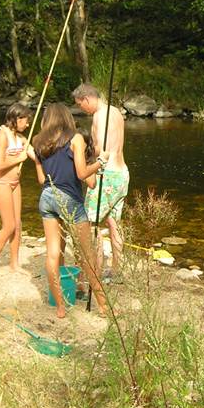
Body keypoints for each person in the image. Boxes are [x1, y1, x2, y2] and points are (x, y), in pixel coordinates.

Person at [33, 103, 108, 317]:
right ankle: (103, 306)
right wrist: (100, 162)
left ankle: (59, 307)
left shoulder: (37, 142)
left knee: (53, 253)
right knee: (87, 255)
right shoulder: (75, 139)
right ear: (66, 118)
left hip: (47, 197)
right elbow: (82, 173)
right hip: (69, 199)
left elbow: (41, 179)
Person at [72, 83, 129, 278]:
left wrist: (80, 149)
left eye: (80, 104)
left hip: (107, 175)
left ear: (87, 98)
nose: (81, 108)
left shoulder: (99, 116)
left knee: (91, 224)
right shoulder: (116, 112)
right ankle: (117, 270)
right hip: (122, 173)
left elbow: (102, 150)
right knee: (114, 223)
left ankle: (94, 272)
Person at [0, 103, 35, 271]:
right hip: (1, 184)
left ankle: (14, 264)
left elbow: (35, 156)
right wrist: (19, 158)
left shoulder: (20, 138)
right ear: (17, 118)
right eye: (26, 121)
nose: (27, 125)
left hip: (15, 184)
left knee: (17, 224)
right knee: (9, 225)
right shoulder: (1, 136)